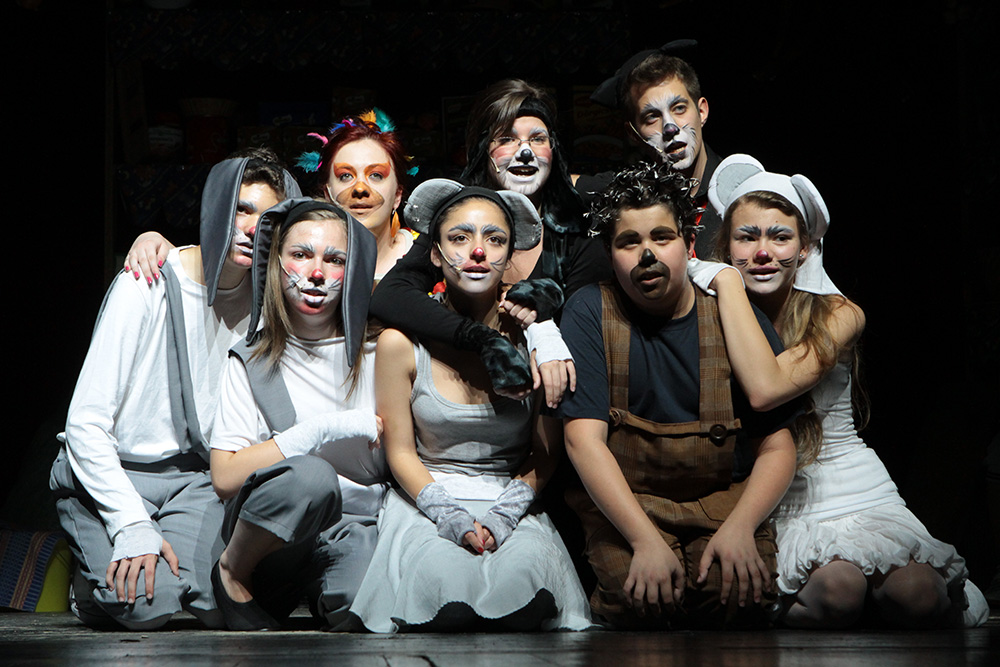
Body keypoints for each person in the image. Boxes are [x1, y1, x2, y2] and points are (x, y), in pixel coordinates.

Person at [696, 153, 989, 628]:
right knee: (839, 593)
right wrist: (721, 287)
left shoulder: (840, 313)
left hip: (852, 485)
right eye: (746, 237)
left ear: (806, 248)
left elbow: (767, 387)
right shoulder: (709, 313)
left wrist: (726, 282)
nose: (763, 252)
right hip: (771, 493)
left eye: (780, 236)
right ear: (726, 245)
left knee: (919, 597)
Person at [50, 150, 299, 629]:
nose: (252, 228)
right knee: (149, 604)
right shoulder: (148, 280)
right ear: (215, 206)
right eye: (241, 209)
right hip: (116, 471)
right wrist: (129, 522)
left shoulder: (267, 306)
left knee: (209, 605)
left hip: (194, 482)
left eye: (269, 219)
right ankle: (91, 585)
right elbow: (85, 422)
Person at [556, 161, 800, 629]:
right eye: (630, 242)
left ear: (689, 245)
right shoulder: (590, 311)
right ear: (610, 253)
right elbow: (582, 441)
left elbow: (777, 445)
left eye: (662, 237)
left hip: (722, 501)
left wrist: (741, 527)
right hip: (630, 505)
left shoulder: (730, 313)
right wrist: (643, 540)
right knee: (640, 602)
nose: (647, 253)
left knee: (736, 599)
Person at [349, 179, 592, 632]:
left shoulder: (535, 340)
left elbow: (546, 452)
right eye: (460, 238)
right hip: (426, 499)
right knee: (444, 583)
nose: (477, 251)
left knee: (523, 582)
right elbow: (399, 451)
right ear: (435, 254)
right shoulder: (401, 343)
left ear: (511, 254)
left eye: (494, 239)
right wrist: (449, 514)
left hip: (512, 501)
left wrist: (504, 515)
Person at [208, 198, 386, 631]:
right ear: (276, 263)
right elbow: (225, 477)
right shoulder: (250, 359)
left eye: (335, 259)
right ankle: (233, 575)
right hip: (275, 535)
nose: (317, 273)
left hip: (356, 524)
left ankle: (324, 593)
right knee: (311, 475)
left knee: (358, 610)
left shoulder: (382, 351)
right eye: (301, 255)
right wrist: (321, 430)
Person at [370, 80, 607, 400]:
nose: (525, 152)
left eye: (538, 139)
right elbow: (391, 295)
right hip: (463, 392)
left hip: (552, 405)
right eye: (506, 139)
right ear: (484, 149)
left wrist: (543, 327)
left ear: (554, 151)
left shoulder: (576, 233)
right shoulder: (455, 222)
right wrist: (479, 337)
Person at [587, 40, 722, 259]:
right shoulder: (623, 198)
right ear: (633, 134)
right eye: (652, 117)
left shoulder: (741, 192)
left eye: (679, 108)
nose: (670, 128)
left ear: (702, 112)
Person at [295, 109, 416, 281]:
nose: (360, 188)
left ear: (397, 195)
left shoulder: (426, 257)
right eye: (345, 176)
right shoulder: (307, 270)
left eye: (376, 175)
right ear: (327, 194)